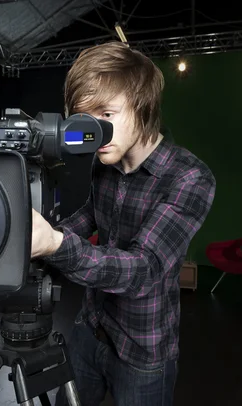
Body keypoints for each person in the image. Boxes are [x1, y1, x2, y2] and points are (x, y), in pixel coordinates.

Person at [30, 41, 216, 406]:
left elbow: (144, 271)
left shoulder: (190, 177)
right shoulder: (106, 159)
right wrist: (43, 232)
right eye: (85, 117)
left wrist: (56, 245)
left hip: (142, 350)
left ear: (144, 108)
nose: (95, 133)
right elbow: (91, 214)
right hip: (90, 328)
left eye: (107, 114)